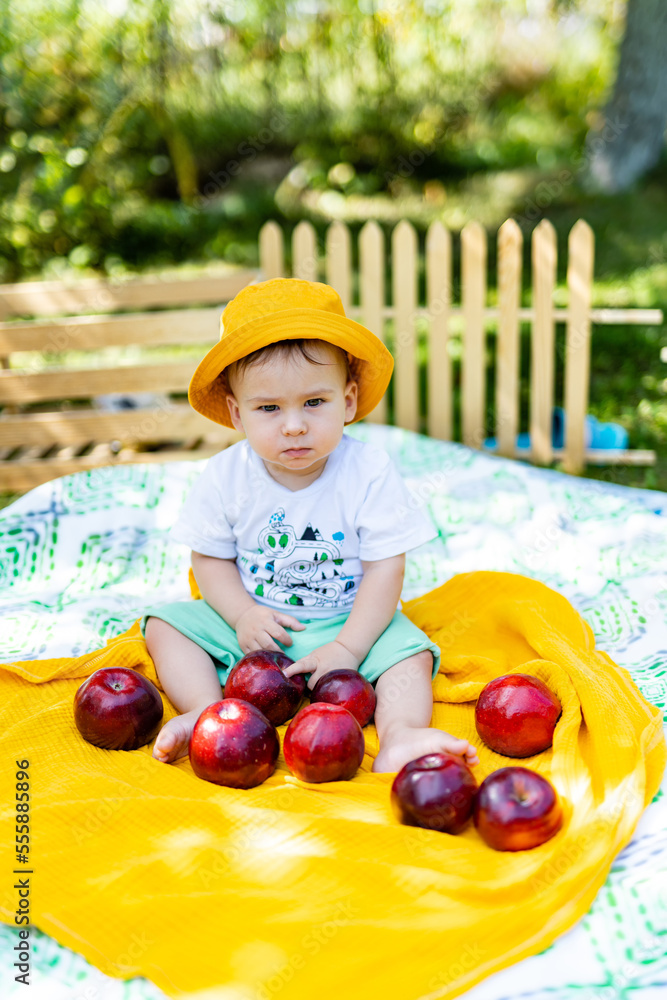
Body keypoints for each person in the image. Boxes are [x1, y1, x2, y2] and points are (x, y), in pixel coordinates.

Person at [143, 277, 479, 773]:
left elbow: (387, 568)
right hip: (260, 626)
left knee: (410, 654)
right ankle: (209, 712)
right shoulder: (226, 475)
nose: (294, 425)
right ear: (238, 414)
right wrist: (239, 616)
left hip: (351, 618)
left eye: (314, 403)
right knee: (166, 625)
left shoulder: (368, 471)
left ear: (347, 401)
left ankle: (401, 733)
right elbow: (209, 558)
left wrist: (351, 646)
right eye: (269, 409)